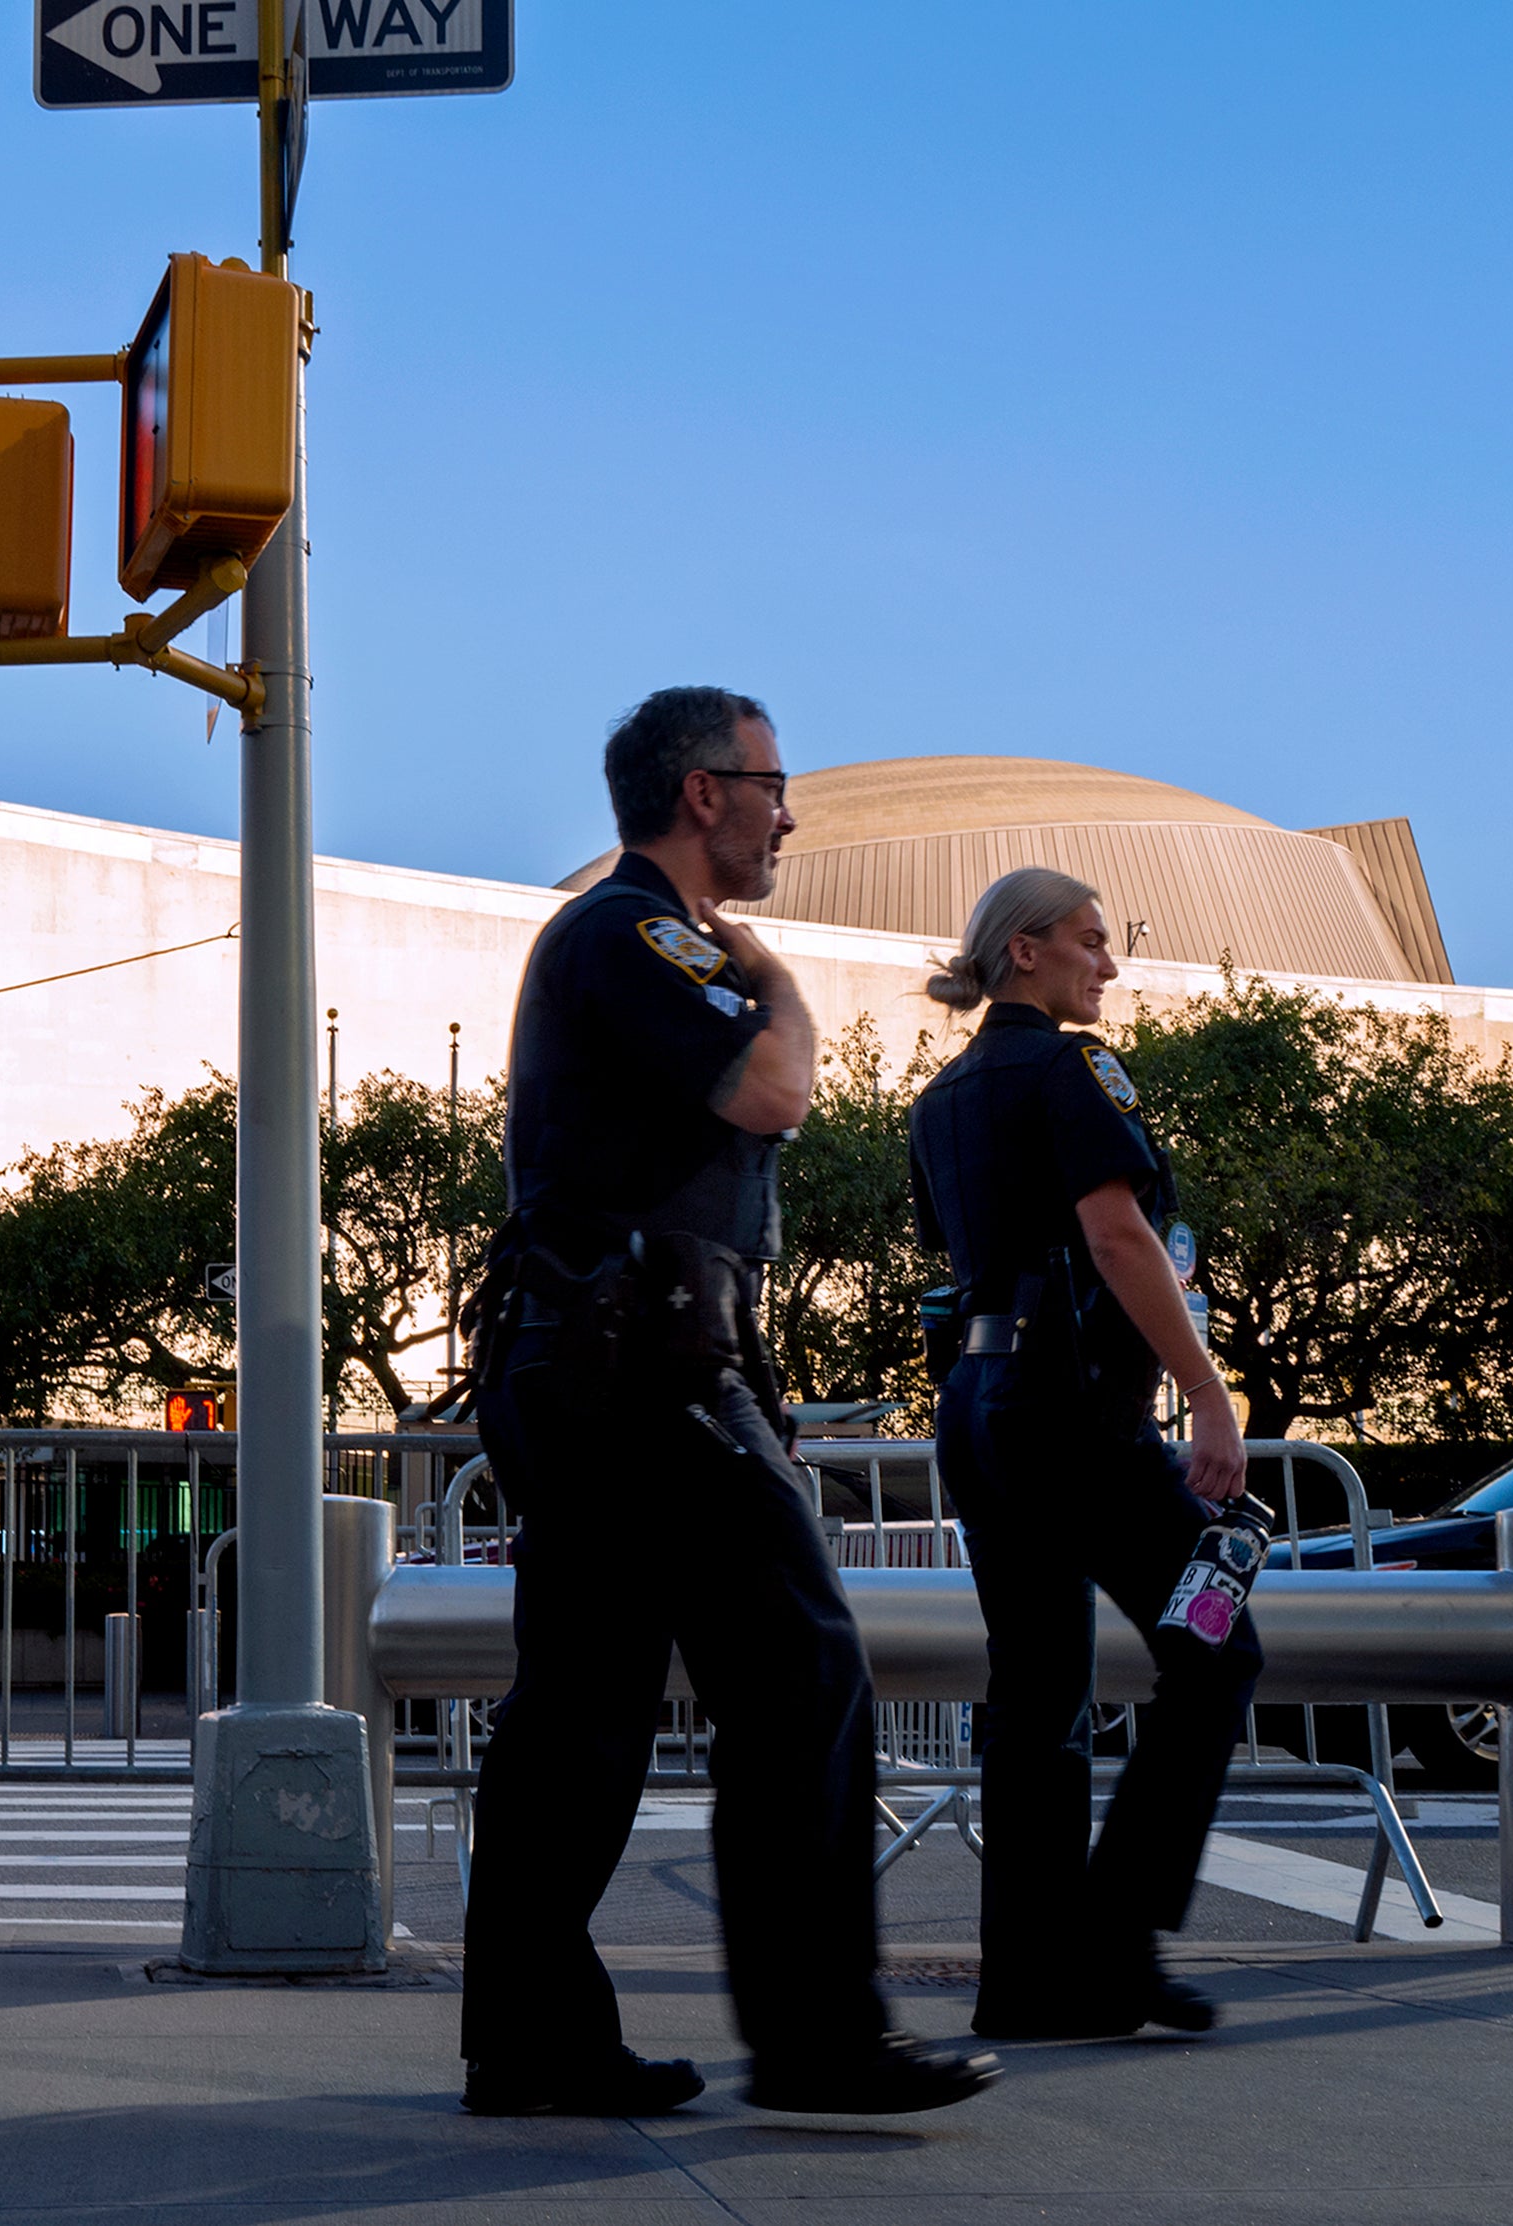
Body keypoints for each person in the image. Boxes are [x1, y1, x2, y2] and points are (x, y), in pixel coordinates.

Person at [458, 687, 994, 2119]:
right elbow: (769, 1092)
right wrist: (785, 988)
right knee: (801, 1667)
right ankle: (817, 2039)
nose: (786, 813)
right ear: (702, 791)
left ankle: (533, 2042)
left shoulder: (633, 941)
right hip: (639, 1359)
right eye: (770, 784)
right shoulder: (637, 933)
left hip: (609, 1355)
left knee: (583, 1706)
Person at [911, 869, 1257, 2040]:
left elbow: (968, 1263)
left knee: (1039, 1690)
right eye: (1091, 942)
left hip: (978, 1402)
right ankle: (1112, 1944)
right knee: (1217, 1652)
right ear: (1024, 952)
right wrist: (1209, 1398)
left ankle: (1029, 1979)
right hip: (1073, 1411)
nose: (1110, 965)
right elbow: (1116, 1235)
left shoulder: (943, 1096)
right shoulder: (1071, 1069)